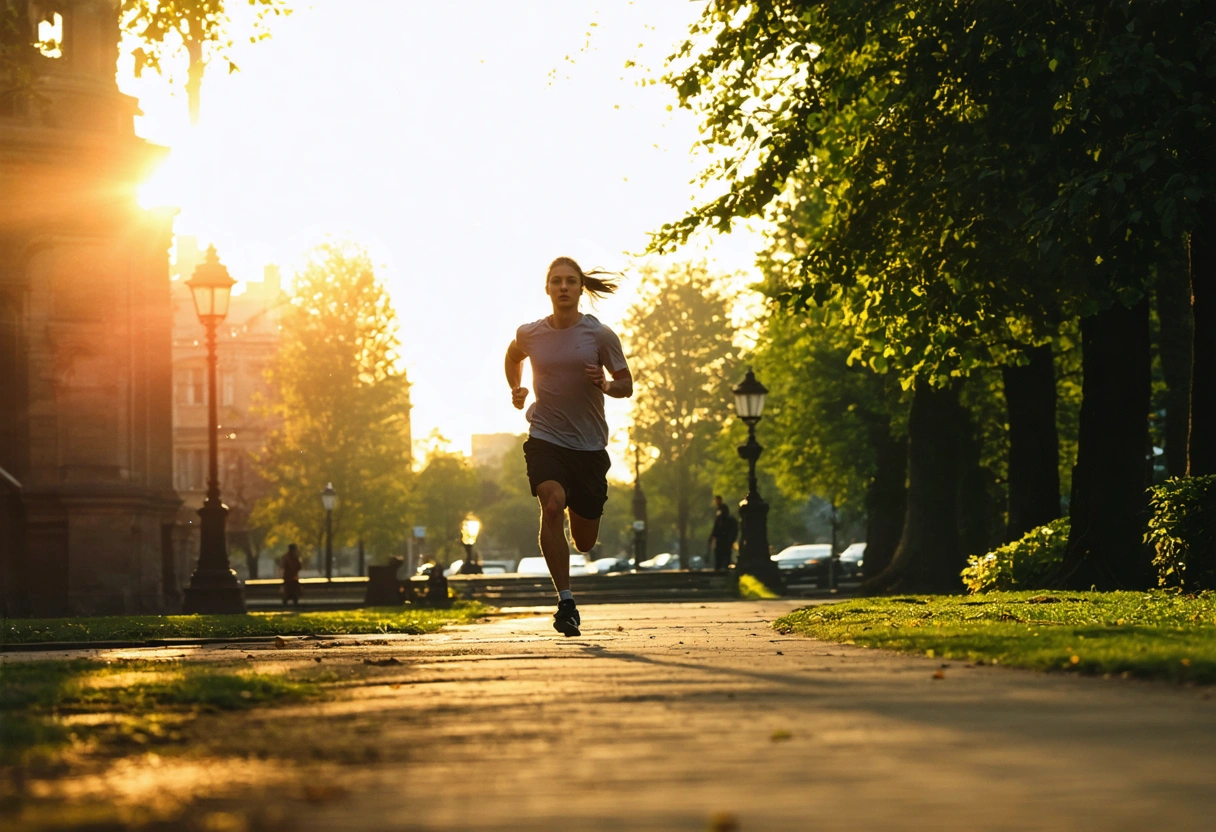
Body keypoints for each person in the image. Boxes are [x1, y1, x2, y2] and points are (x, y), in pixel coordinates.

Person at [504, 256, 633, 636]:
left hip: (590, 447)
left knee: (585, 541)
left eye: (570, 282)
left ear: (580, 289)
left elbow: (626, 384)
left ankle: (579, 541)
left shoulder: (600, 335)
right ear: (547, 289)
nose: (563, 287)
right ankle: (565, 601)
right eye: (556, 281)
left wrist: (606, 385)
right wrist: (516, 387)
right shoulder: (531, 333)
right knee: (552, 503)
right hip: (545, 436)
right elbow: (513, 357)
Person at [708, 496, 738, 573]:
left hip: (723, 536)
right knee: (721, 551)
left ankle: (721, 566)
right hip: (722, 536)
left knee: (722, 551)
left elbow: (719, 524)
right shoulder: (719, 511)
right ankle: (721, 566)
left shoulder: (722, 510)